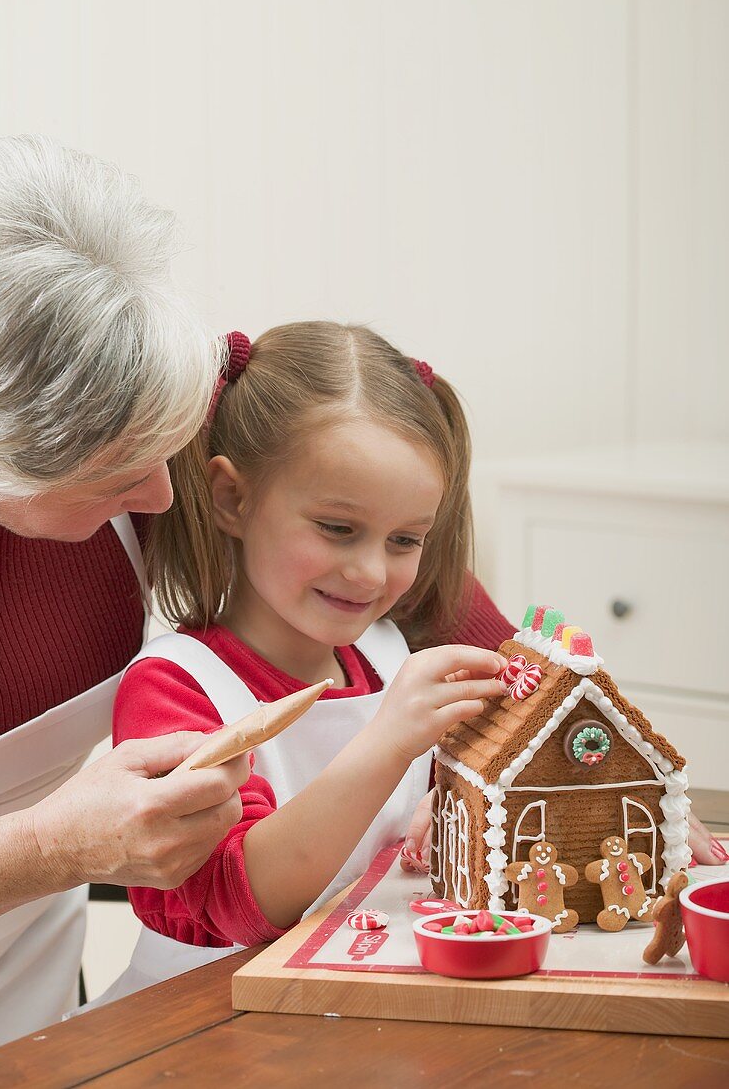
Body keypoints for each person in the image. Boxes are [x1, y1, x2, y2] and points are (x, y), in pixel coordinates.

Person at [98, 322, 512, 999]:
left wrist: (449, 808)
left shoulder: (386, 653)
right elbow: (241, 900)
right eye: (338, 529)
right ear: (231, 497)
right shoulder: (175, 687)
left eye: (405, 540)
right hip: (196, 1028)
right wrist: (387, 745)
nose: (371, 572)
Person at [0, 136, 251, 1045]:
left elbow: (379, 531)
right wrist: (54, 848)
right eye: (112, 475)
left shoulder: (132, 388)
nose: (160, 496)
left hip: (29, 994)